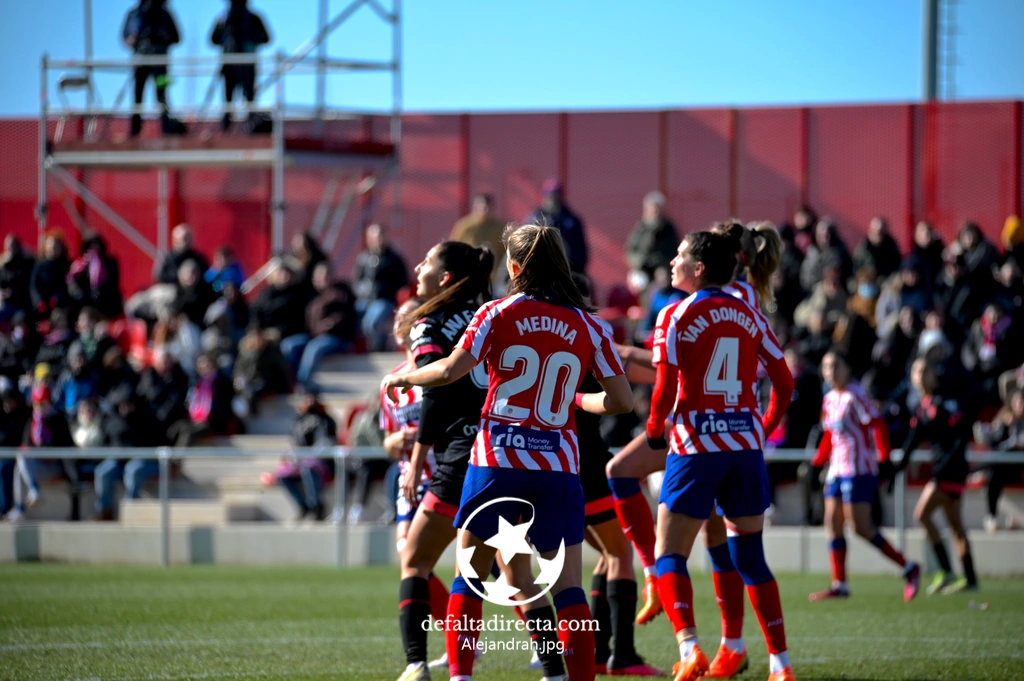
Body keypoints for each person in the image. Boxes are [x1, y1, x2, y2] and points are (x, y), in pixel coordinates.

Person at [384, 224, 633, 681]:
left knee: (470, 576)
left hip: (497, 461)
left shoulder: (496, 313)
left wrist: (402, 377)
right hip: (558, 466)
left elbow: (449, 371)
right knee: (568, 588)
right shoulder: (590, 325)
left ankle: (460, 675)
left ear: (514, 268)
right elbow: (622, 401)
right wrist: (578, 400)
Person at [605, 221, 784, 681]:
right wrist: (760, 428)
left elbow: (670, 375)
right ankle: (752, 653)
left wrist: (626, 367)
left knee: (666, 524)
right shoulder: (744, 303)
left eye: (684, 253)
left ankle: (684, 619)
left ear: (710, 261)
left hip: (697, 431)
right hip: (738, 436)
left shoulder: (691, 308)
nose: (673, 260)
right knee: (729, 546)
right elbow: (781, 379)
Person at [377, 239, 493, 681]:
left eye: (425, 260)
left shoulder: (430, 322)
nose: (418, 267)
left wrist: (416, 459)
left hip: (459, 458)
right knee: (505, 572)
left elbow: (435, 392)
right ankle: (555, 670)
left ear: (444, 278)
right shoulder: (488, 314)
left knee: (414, 560)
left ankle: (416, 664)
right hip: (503, 453)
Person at [571, 274, 661, 677]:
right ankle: (621, 654)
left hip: (547, 462)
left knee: (607, 556)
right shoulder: (589, 333)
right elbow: (634, 384)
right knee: (620, 553)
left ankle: (596, 651)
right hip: (587, 460)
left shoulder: (534, 330)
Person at [807, 350, 920, 602]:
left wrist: (885, 459)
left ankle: (908, 567)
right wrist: (817, 464)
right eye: (826, 367)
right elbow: (829, 435)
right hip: (836, 470)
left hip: (858, 470)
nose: (830, 372)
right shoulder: (829, 399)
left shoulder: (856, 395)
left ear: (847, 368)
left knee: (860, 527)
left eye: (835, 366)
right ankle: (840, 584)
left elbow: (877, 424)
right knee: (831, 522)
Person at [896, 358, 976, 595]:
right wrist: (895, 469)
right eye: (916, 371)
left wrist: (949, 464)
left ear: (933, 376)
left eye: (925, 371)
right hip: (945, 470)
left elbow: (962, 433)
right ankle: (969, 578)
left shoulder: (942, 403)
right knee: (955, 525)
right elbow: (912, 441)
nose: (920, 376)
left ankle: (946, 570)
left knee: (922, 515)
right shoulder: (922, 407)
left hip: (949, 471)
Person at [261, 389, 338, 521]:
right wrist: (295, 458)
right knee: (283, 476)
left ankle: (316, 505)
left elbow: (326, 443)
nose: (308, 402)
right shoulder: (298, 421)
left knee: (309, 467)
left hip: (322, 462)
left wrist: (309, 456)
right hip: (300, 460)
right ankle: (303, 506)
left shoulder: (325, 420)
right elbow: (295, 444)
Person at [280, 262, 356, 391]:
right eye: (319, 276)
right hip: (314, 336)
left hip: (336, 337)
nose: (323, 279)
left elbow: (343, 317)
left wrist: (328, 325)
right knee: (289, 345)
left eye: (326, 275)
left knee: (314, 347)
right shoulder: (312, 296)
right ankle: (291, 383)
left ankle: (304, 384)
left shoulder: (341, 293)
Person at [122, 0, 182, 137]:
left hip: (160, 65)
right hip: (140, 63)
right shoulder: (134, 14)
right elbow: (125, 37)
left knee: (162, 95)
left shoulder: (165, 14)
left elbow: (177, 37)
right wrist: (132, 39)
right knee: (138, 95)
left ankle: (166, 128)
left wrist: (163, 37)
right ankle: (135, 131)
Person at [210, 0, 271, 132]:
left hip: (248, 65)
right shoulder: (223, 19)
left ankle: (251, 125)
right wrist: (227, 37)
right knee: (228, 98)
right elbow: (213, 39)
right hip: (229, 65)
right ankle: (226, 127)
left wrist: (249, 37)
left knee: (249, 98)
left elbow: (266, 38)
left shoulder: (254, 18)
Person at [353, 224, 409, 351]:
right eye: (374, 236)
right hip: (365, 300)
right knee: (353, 317)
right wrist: (363, 290)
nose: (378, 240)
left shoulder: (394, 259)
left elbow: (403, 283)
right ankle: (357, 350)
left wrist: (385, 289)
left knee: (371, 323)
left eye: (380, 236)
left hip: (385, 300)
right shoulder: (363, 258)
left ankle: (378, 349)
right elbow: (356, 281)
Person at [525, 178, 589, 274]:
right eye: (550, 197)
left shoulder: (571, 221)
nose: (553, 201)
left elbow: (580, 254)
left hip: (567, 272)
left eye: (556, 197)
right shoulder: (535, 218)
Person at [451, 193, 507, 291]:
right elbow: (454, 249)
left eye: (488, 208)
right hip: (468, 274)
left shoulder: (499, 227)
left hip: (492, 277)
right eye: (482, 208)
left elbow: (505, 253)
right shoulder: (465, 226)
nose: (485, 211)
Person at [626, 191, 679, 279]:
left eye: (657, 210)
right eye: (652, 210)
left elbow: (673, 251)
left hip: (662, 268)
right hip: (642, 267)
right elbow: (630, 251)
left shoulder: (668, 228)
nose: (655, 213)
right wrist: (640, 262)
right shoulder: (641, 228)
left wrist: (660, 263)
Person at [30, 234, 71, 320]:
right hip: (42, 304)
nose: (53, 249)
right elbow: (34, 285)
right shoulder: (40, 265)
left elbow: (68, 284)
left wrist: (58, 297)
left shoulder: (66, 265)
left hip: (60, 303)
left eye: (56, 246)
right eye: (51, 246)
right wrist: (38, 300)